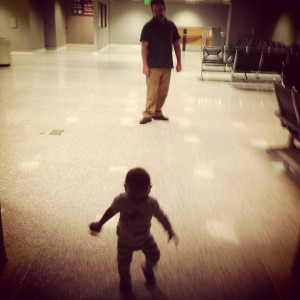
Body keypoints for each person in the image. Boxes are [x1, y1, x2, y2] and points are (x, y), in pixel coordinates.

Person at [89, 167, 179, 293]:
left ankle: (147, 268)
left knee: (155, 255)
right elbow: (111, 211)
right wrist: (100, 223)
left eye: (143, 197)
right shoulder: (121, 200)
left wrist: (170, 230)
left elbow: (162, 217)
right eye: (132, 197)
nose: (137, 201)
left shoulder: (151, 204)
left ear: (150, 189)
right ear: (126, 188)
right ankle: (125, 279)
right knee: (123, 264)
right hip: (125, 240)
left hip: (145, 238)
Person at [139, 0, 182, 125]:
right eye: (155, 10)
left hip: (167, 65)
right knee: (152, 91)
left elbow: (177, 45)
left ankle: (157, 112)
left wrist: (179, 62)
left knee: (163, 92)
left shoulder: (171, 25)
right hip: (153, 66)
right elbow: (144, 47)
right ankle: (148, 114)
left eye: (160, 9)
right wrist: (145, 65)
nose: (158, 12)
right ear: (152, 11)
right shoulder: (148, 27)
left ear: (164, 8)